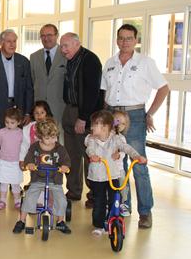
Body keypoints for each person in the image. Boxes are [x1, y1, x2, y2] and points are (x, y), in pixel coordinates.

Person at [101, 23, 169, 229]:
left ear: (136, 40)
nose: (124, 42)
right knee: (117, 164)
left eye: (129, 38)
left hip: (135, 115)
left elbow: (164, 88)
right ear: (116, 40)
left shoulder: (145, 62)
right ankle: (124, 205)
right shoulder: (110, 62)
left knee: (138, 164)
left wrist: (150, 114)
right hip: (112, 115)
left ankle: (146, 212)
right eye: (121, 38)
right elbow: (105, 92)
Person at [0, 29, 34, 195]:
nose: (12, 44)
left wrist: (27, 113)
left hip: (17, 110)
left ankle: (14, 181)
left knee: (17, 146)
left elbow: (28, 89)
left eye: (14, 41)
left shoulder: (23, 62)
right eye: (9, 41)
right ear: (1, 43)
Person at [85, 110, 146, 236]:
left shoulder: (116, 139)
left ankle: (111, 220)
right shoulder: (91, 139)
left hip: (112, 175)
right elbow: (89, 149)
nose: (91, 127)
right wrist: (92, 155)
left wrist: (137, 156)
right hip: (97, 177)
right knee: (99, 201)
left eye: (94, 125)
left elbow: (126, 148)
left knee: (114, 200)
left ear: (105, 127)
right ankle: (98, 225)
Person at [60, 32, 103, 208]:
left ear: (77, 44)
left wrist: (83, 118)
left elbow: (93, 92)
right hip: (69, 110)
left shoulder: (90, 60)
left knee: (88, 154)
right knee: (71, 155)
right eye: (61, 46)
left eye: (65, 46)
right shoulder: (71, 60)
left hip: (84, 115)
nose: (63, 50)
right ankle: (73, 191)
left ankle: (93, 195)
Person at [13, 118, 71, 234]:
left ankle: (60, 221)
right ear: (39, 137)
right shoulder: (34, 147)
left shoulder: (59, 148)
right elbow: (28, 158)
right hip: (37, 179)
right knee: (28, 197)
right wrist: (29, 164)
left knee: (61, 199)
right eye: (48, 138)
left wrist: (65, 166)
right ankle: (21, 221)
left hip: (55, 180)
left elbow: (66, 160)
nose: (52, 141)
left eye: (54, 137)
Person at [30, 24, 66, 137]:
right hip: (40, 110)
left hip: (60, 108)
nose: (46, 38)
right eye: (43, 36)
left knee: (59, 141)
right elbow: (32, 80)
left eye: (49, 35)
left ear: (57, 36)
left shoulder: (66, 54)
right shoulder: (34, 57)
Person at [0, 107, 23, 210]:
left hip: (16, 163)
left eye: (12, 122)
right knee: (3, 183)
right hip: (3, 162)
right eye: (7, 122)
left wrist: (24, 158)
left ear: (19, 122)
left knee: (15, 184)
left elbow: (25, 146)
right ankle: (2, 200)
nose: (9, 125)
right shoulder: (1, 132)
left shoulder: (21, 133)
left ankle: (17, 201)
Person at [112, 110, 131, 216]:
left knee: (123, 185)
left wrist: (119, 154)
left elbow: (124, 151)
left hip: (119, 169)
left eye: (123, 123)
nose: (119, 125)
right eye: (117, 121)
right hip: (107, 170)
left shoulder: (122, 138)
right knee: (108, 188)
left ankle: (123, 203)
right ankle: (107, 205)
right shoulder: (106, 136)